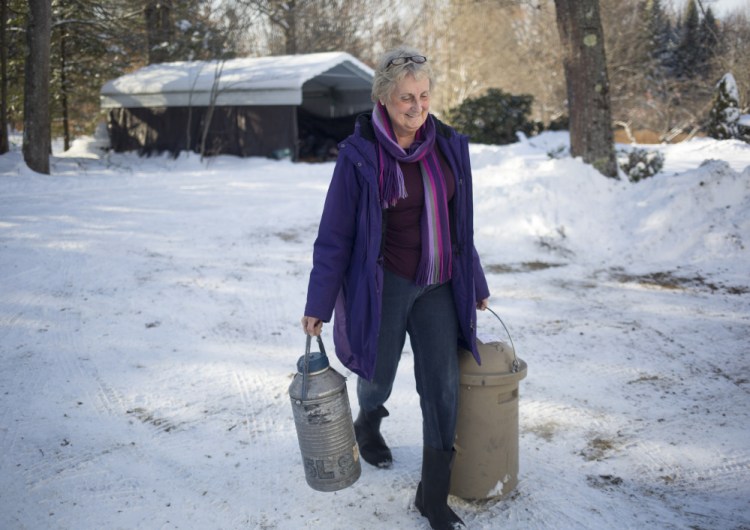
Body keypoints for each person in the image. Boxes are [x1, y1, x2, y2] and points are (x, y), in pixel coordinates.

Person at [301, 45, 489, 530]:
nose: (417, 106)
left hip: (440, 283)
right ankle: (369, 419)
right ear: (383, 99)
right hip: (386, 284)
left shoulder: (445, 144)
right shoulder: (361, 157)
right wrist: (318, 302)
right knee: (377, 375)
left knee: (442, 387)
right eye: (406, 97)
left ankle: (432, 495)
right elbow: (336, 234)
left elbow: (458, 225)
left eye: (424, 95)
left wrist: (477, 282)